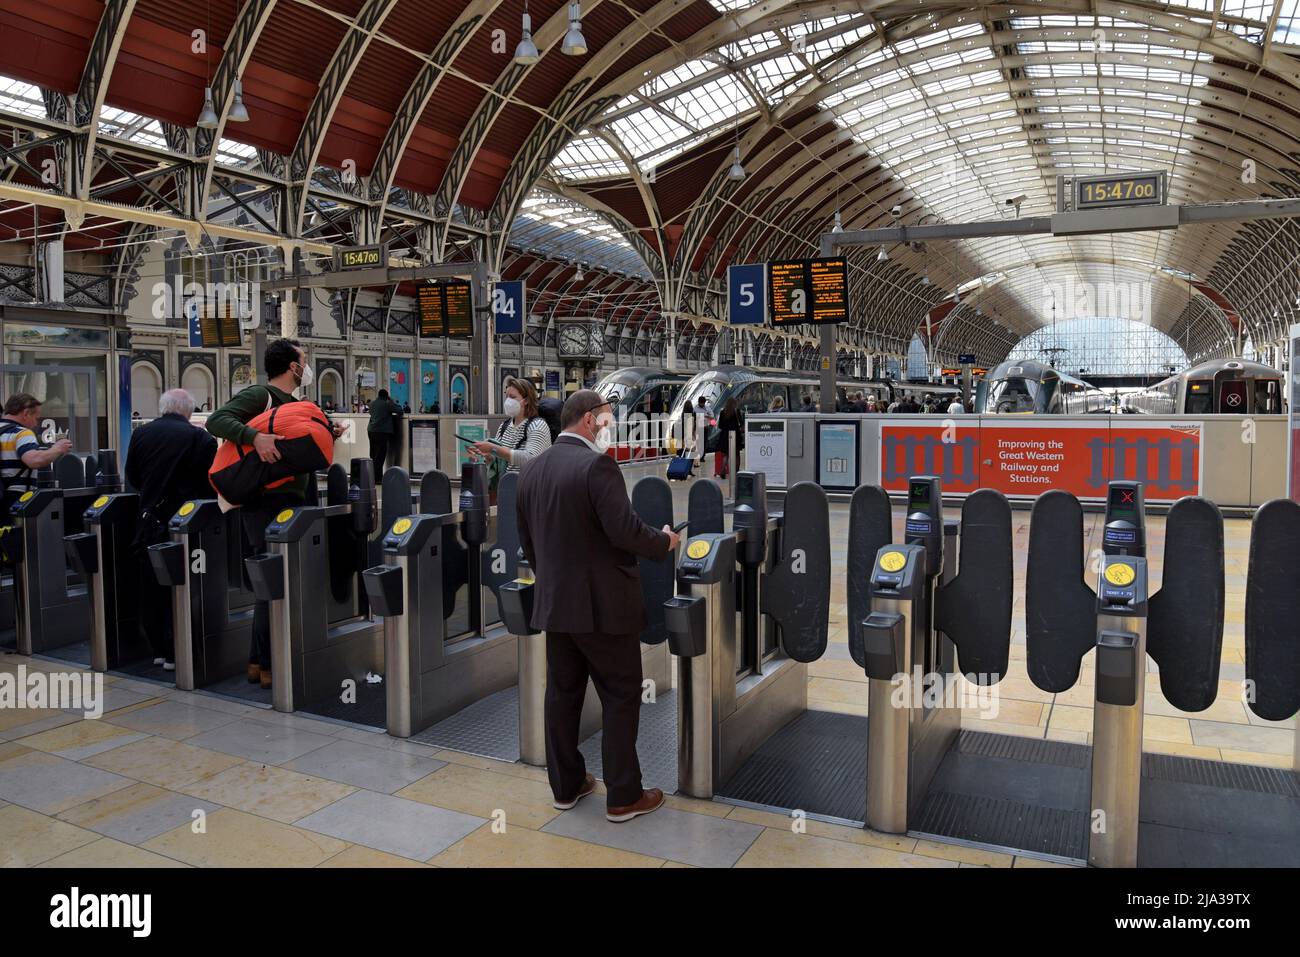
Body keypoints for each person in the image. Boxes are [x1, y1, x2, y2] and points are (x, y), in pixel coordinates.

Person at [515, 390, 680, 823]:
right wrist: (664, 542)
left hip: (557, 607)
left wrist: (554, 583)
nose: (611, 427)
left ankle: (567, 787)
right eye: (608, 419)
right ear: (589, 420)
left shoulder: (532, 470)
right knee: (622, 695)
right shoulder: (597, 466)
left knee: (562, 695)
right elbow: (624, 531)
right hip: (605, 610)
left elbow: (529, 542)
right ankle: (624, 795)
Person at [207, 338, 340, 690]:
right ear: (292, 367)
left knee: (272, 581)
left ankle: (258, 662)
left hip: (288, 502)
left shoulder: (295, 404)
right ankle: (270, 664)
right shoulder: (260, 396)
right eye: (304, 360)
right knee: (273, 580)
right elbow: (216, 420)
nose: (306, 366)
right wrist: (256, 437)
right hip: (266, 503)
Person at [124, 389, 217, 670]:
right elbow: (209, 480)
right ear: (188, 411)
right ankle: (180, 650)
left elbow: (133, 475)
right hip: (187, 523)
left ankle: (159, 650)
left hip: (148, 520)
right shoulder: (200, 437)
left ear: (163, 407)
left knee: (152, 584)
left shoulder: (141, 434)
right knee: (185, 584)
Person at [468, 376, 552, 482]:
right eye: (507, 396)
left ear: (526, 401)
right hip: (507, 487)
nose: (508, 401)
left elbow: (530, 458)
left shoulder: (537, 426)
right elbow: (499, 460)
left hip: (531, 487)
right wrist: (488, 455)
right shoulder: (504, 426)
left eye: (512, 397)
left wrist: (494, 448)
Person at [0, 393, 73, 514]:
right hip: (15, 503)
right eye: (36, 418)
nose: (36, 424)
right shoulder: (22, 433)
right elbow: (34, 460)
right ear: (26, 413)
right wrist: (57, 448)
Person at [366, 388, 402, 474]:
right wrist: (392, 401)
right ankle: (377, 477)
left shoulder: (372, 404)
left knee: (373, 455)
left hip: (371, 431)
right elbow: (400, 410)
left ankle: (372, 476)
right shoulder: (387, 404)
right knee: (380, 456)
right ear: (386, 396)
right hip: (381, 432)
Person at [715, 397, 744, 479]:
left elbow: (720, 426)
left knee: (726, 454)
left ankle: (723, 470)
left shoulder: (722, 412)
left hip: (725, 435)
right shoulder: (736, 411)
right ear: (734, 403)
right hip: (736, 434)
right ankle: (736, 471)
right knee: (737, 454)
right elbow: (741, 423)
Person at [693, 395, 709, 465]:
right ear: (699, 402)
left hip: (705, 428)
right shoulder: (695, 409)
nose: (702, 404)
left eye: (703, 403)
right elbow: (693, 418)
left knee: (704, 442)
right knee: (699, 442)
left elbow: (712, 417)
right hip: (698, 428)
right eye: (701, 403)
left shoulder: (708, 409)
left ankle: (702, 456)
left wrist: (711, 424)